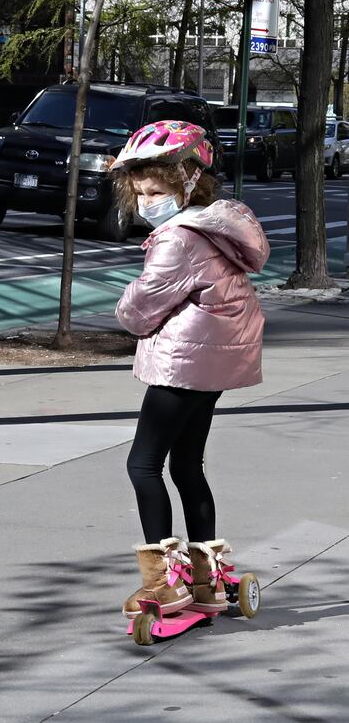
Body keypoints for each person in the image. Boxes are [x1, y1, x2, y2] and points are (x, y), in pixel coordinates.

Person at [110, 120, 270, 620]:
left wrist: (125, 312)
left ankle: (167, 582)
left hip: (185, 362)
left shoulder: (179, 237)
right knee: (186, 466)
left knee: (142, 464)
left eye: (155, 189)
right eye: (138, 191)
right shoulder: (215, 226)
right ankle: (210, 577)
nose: (145, 199)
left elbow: (140, 307)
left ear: (188, 177)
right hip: (215, 362)